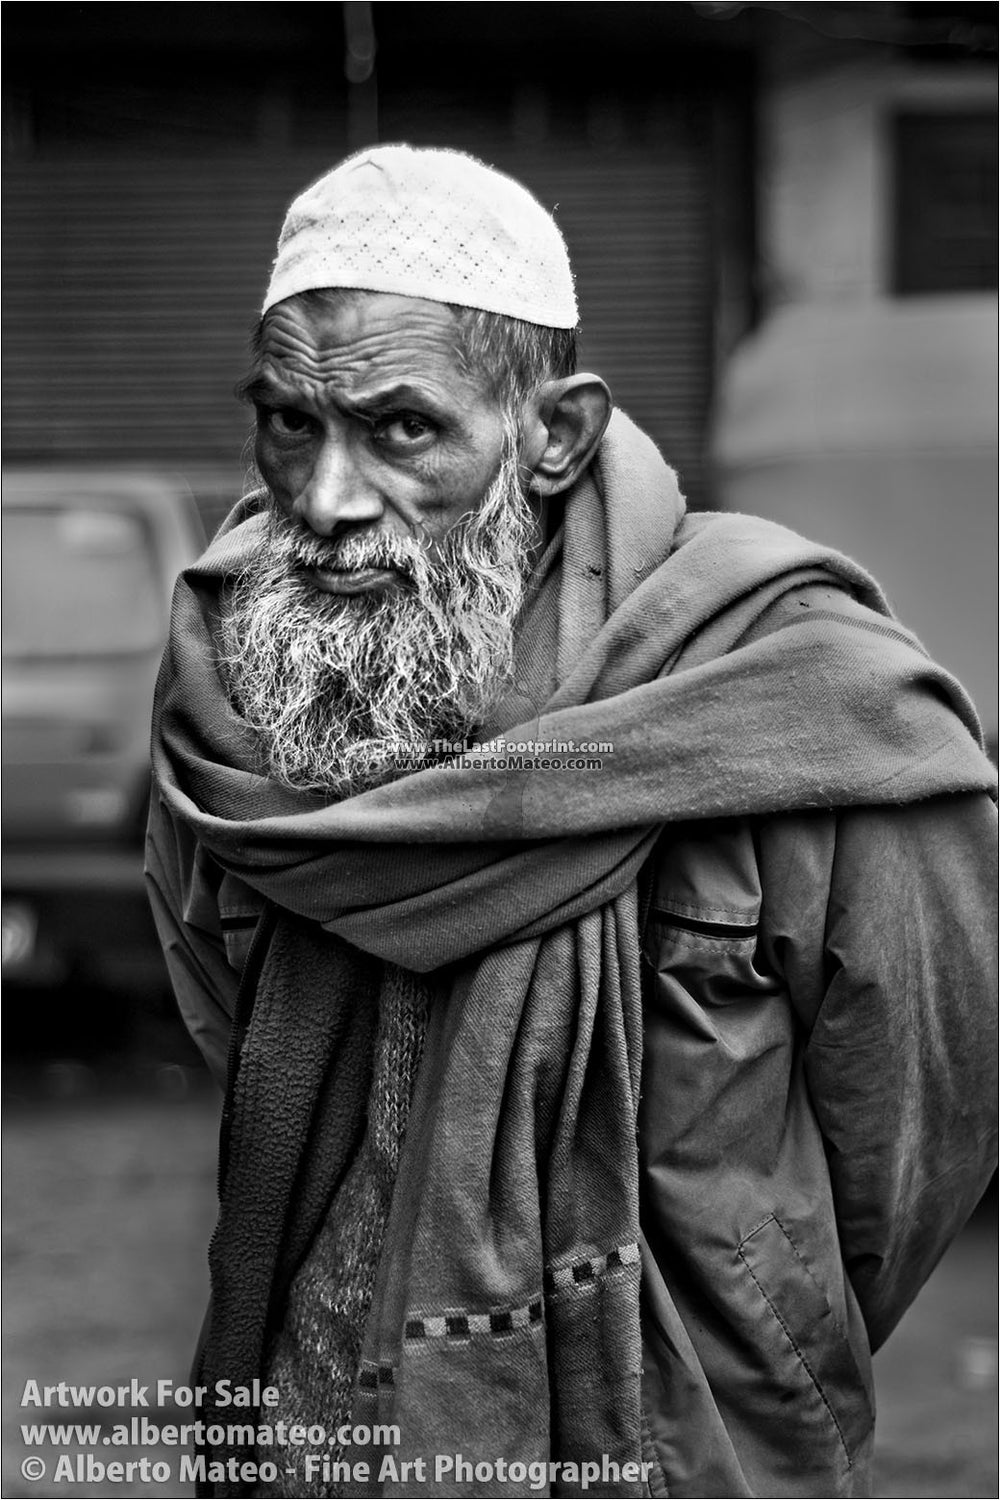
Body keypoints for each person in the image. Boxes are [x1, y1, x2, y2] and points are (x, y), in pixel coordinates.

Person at [146, 145, 997, 1500]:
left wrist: (746, 1319)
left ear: (555, 431)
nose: (325, 501)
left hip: (677, 1447)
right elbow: (219, 1005)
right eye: (290, 425)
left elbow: (919, 1135)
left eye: (402, 429)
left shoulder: (792, 691)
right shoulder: (232, 686)